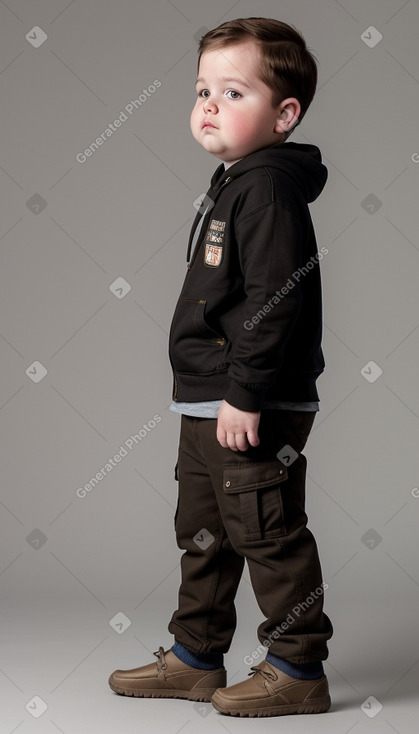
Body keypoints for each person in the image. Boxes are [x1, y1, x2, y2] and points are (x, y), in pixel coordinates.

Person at [109, 16, 333, 718]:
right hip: (209, 401)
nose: (208, 104)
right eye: (202, 89)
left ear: (283, 114)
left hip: (249, 402)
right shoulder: (235, 180)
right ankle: (195, 656)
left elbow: (275, 299)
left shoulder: (268, 189)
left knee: (265, 531)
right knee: (203, 532)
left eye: (233, 92)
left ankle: (296, 668)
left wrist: (245, 393)